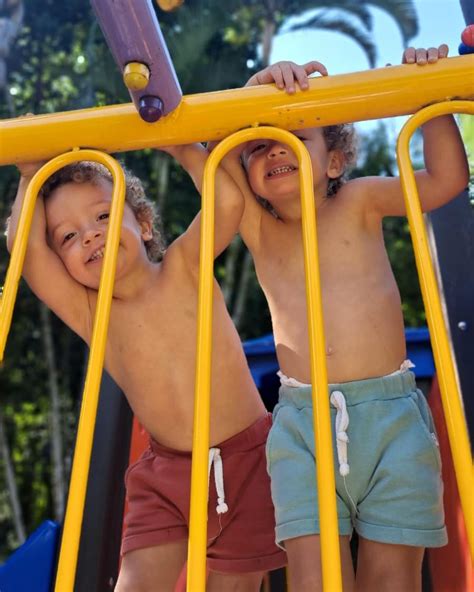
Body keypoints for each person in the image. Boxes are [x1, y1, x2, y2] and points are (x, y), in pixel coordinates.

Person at [210, 45, 468, 591]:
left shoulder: (360, 201)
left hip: (392, 420)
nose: (274, 149)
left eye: (294, 137)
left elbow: (445, 181)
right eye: (257, 146)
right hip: (303, 427)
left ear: (334, 160)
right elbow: (209, 149)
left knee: (392, 579)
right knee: (316, 580)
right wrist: (254, 85)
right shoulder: (256, 229)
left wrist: (431, 96)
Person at [6, 145, 286, 591]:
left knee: (232, 586)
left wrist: (182, 144)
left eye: (103, 216)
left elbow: (227, 203)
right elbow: (28, 255)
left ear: (144, 222)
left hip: (247, 460)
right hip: (165, 475)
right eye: (68, 236)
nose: (90, 236)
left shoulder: (185, 266)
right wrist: (28, 176)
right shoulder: (92, 313)